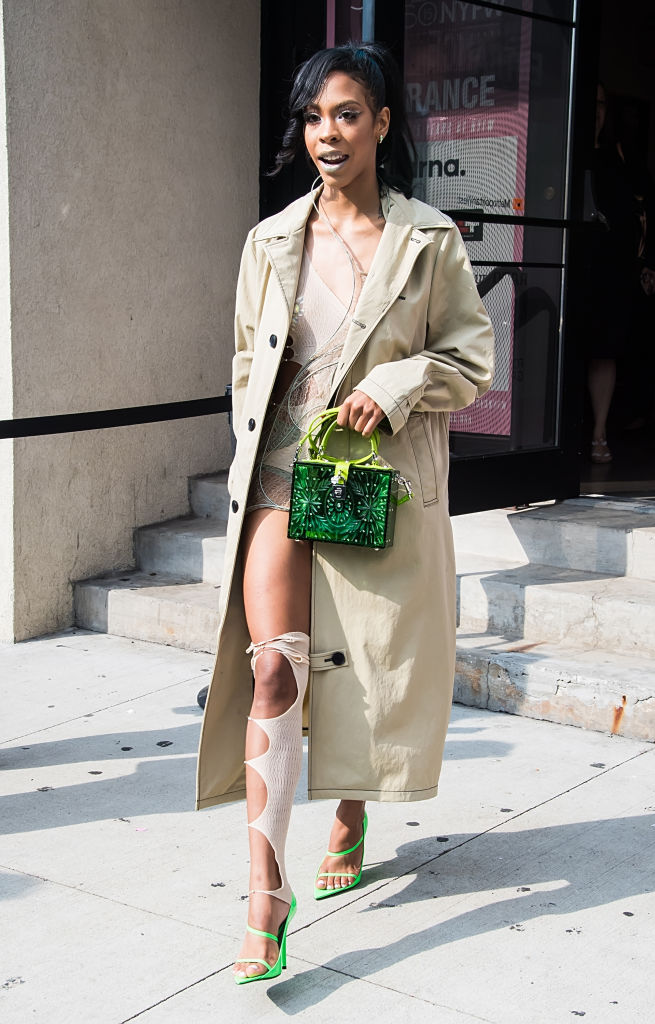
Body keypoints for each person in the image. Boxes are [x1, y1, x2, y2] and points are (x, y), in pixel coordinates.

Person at [195, 42, 494, 985]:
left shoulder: (426, 241)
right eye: (314, 116)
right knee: (274, 670)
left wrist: (395, 386)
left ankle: (352, 810)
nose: (327, 133)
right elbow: (246, 361)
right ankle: (265, 895)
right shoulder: (270, 240)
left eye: (347, 114)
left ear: (382, 125)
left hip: (371, 479)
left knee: (358, 664)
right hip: (282, 479)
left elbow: (470, 360)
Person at [584, 85, 655, 462]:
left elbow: (653, 214)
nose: (595, 110)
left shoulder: (619, 156)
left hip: (611, 274)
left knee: (605, 352)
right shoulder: (560, 148)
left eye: (601, 103)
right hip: (568, 267)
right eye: (590, 102)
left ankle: (599, 433)